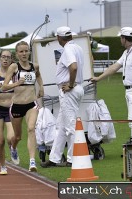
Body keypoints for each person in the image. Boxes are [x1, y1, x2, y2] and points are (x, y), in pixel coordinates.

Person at [91, 27, 132, 144]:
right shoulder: (127, 52)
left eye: (121, 37)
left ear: (124, 38)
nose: (120, 40)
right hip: (131, 90)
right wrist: (98, 78)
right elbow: (114, 67)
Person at [41, 26, 84, 168]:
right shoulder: (78, 47)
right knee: (61, 126)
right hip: (75, 89)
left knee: (70, 127)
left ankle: (72, 160)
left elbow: (73, 67)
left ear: (59, 38)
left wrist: (70, 84)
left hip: (69, 90)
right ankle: (54, 158)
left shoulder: (68, 49)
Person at [1, 41, 44, 172]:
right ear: (17, 54)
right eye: (21, 51)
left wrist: (41, 87)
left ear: (29, 52)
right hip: (17, 106)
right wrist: (17, 83)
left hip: (31, 104)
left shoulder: (34, 66)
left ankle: (32, 161)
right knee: (17, 136)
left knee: (31, 129)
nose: (24, 53)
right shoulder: (14, 67)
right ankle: (13, 148)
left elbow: (38, 76)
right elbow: (4, 86)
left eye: (26, 51)